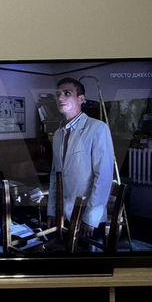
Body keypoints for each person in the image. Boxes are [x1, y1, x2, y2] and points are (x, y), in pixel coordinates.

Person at [46, 77, 115, 239]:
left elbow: (104, 177)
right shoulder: (58, 134)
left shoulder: (97, 128)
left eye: (67, 93)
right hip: (63, 215)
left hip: (88, 218)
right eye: (58, 94)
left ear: (81, 99)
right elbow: (55, 175)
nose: (60, 98)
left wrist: (91, 218)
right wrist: (52, 211)